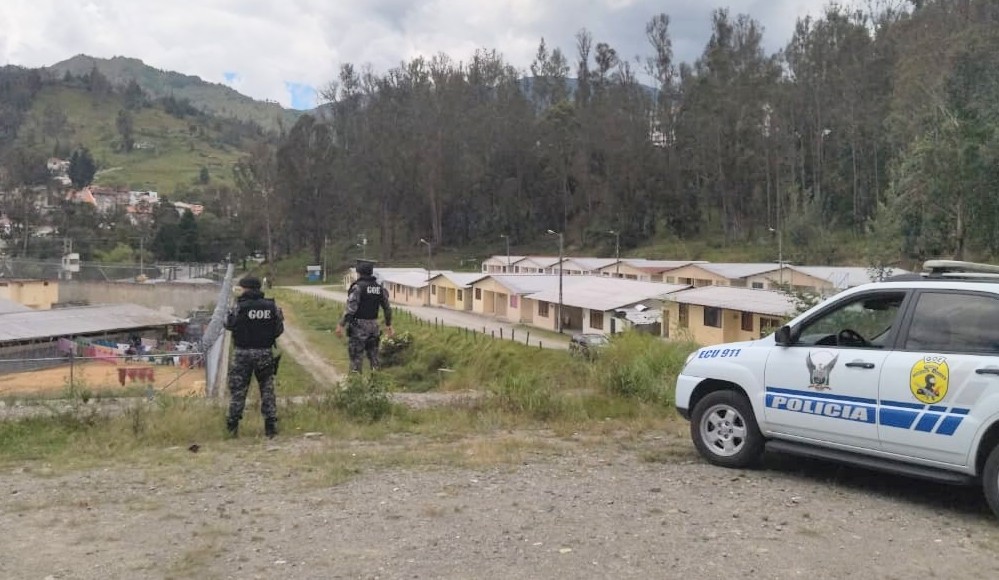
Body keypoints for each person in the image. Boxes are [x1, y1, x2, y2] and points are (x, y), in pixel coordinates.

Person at [223, 276, 284, 438]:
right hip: (264, 352)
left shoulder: (239, 307)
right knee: (267, 390)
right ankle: (270, 427)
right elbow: (278, 329)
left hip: (242, 353)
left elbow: (228, 323)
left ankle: (232, 427)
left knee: (238, 391)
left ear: (246, 289)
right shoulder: (271, 306)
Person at [336, 259, 393, 372]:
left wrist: (341, 324)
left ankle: (356, 386)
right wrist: (388, 325)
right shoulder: (379, 288)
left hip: (359, 327)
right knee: (374, 358)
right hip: (374, 326)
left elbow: (351, 309)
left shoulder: (358, 287)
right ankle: (377, 384)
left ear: (359, 272)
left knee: (356, 358)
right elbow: (387, 308)